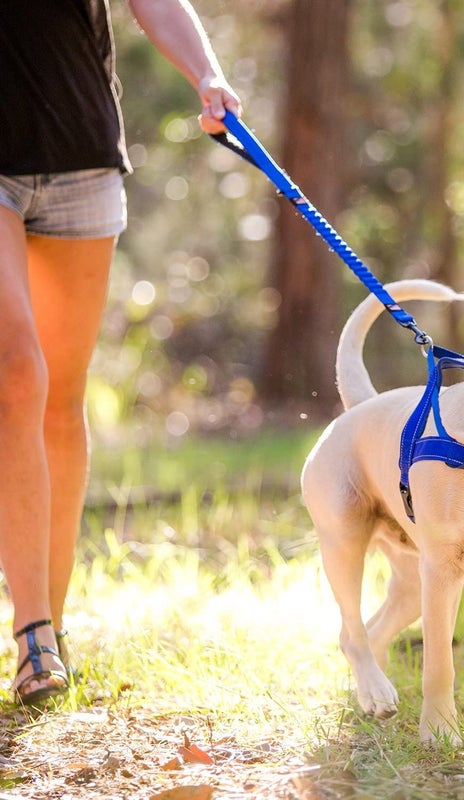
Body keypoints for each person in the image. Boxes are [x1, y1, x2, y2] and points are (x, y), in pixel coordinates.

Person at [0, 0, 241, 705]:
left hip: (80, 151)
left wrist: (208, 73)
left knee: (60, 404)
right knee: (17, 377)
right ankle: (33, 631)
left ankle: (51, 627)